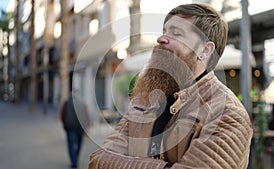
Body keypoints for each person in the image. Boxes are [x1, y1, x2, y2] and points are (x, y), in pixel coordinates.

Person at [88, 3, 253, 169]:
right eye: (164, 31)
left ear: (205, 50)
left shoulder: (227, 114)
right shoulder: (144, 100)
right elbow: (98, 159)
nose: (161, 38)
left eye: (176, 33)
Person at [60, 93, 90, 168]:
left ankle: (74, 162)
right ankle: (75, 158)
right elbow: (86, 115)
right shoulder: (82, 103)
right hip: (80, 127)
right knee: (79, 144)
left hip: (70, 127)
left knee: (71, 145)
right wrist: (87, 126)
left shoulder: (66, 103)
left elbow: (62, 115)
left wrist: (64, 125)